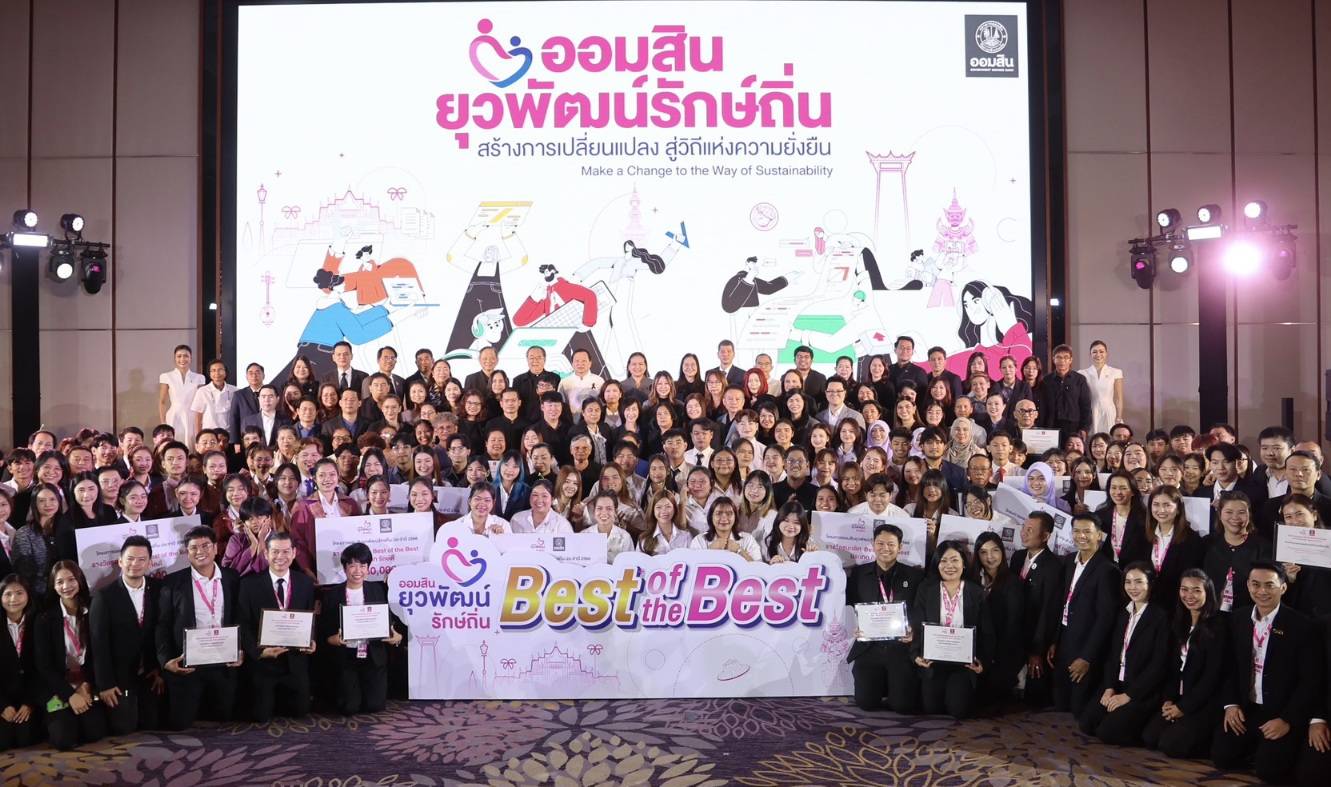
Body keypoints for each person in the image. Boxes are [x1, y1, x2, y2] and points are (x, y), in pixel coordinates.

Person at [1211, 562, 1322, 784]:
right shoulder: (1237, 619)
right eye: (1256, 584)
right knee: (1222, 757)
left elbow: (1310, 680)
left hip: (1281, 711)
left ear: (1283, 587)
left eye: (1269, 585)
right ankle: (1258, 747)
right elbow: (1228, 667)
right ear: (1248, 586)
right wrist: (1231, 704)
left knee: (1269, 772)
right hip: (1248, 707)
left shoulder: (1302, 625)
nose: (1262, 591)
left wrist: (1288, 719)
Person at [155, 525, 243, 729]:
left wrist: (240, 649)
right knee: (180, 723)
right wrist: (165, 661)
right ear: (187, 552)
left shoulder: (232, 578)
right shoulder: (172, 582)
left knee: (226, 718)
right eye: (194, 547)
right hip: (188, 663)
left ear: (216, 548)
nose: (200, 551)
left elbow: (240, 617)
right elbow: (162, 625)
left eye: (205, 546)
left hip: (223, 660)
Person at [1077, 561, 1169, 745]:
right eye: (1128, 582)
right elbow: (1112, 656)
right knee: (1086, 723)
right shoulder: (1123, 613)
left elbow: (1158, 666)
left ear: (1150, 583)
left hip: (1142, 690)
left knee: (1107, 733)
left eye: (1139, 582)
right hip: (1119, 684)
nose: (1133, 587)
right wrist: (1109, 687)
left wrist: (1128, 696)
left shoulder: (1161, 617)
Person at [1142, 569, 1225, 758]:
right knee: (1150, 737)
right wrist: (1169, 700)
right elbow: (1173, 669)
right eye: (1184, 589)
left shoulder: (1218, 625)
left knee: (1171, 746)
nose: (1189, 596)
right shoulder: (1180, 621)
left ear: (1207, 592)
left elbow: (1212, 676)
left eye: (1196, 590)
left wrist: (1184, 708)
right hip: (1180, 697)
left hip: (1204, 702)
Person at [237, 531, 317, 723]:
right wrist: (258, 652)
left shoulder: (305, 583)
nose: (280, 557)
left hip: (295, 660)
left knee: (300, 712)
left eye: (286, 551)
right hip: (264, 662)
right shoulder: (249, 584)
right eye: (275, 552)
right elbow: (243, 624)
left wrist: (311, 640)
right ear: (266, 553)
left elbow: (310, 618)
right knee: (260, 716)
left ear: (294, 553)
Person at [846, 523, 925, 714]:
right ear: (873, 544)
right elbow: (850, 607)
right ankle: (881, 686)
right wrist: (855, 626)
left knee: (903, 706)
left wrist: (913, 631)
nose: (885, 548)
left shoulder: (915, 576)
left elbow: (921, 610)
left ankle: (895, 689)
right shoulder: (858, 574)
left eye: (891, 544)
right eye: (880, 543)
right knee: (866, 703)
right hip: (870, 647)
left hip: (901, 647)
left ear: (900, 547)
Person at [911, 540, 994, 719]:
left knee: (959, 710)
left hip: (963, 663)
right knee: (931, 708)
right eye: (944, 560)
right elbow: (917, 624)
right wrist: (916, 654)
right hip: (934, 661)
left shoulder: (976, 592)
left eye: (955, 560)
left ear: (964, 564)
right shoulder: (926, 589)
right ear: (937, 564)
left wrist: (983, 662)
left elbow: (987, 632)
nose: (949, 566)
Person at [319, 542, 404, 715]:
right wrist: (332, 639)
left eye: (363, 565)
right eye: (352, 565)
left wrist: (396, 637)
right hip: (346, 656)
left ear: (368, 568)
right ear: (344, 568)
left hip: (372, 656)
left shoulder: (378, 590)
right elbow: (324, 629)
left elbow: (390, 621)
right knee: (349, 707)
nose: (358, 571)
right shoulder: (333, 595)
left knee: (375, 705)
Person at [89, 535, 163, 735]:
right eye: (130, 559)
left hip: (149, 673)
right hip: (119, 676)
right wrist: (105, 684)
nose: (135, 564)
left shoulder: (159, 589)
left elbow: (162, 631)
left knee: (153, 724)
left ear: (150, 563)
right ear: (120, 562)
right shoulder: (104, 596)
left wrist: (159, 668)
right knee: (124, 727)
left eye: (141, 559)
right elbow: (99, 644)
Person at [1050, 514, 1121, 717]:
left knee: (1078, 710)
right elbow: (1062, 604)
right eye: (1077, 531)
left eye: (1087, 531)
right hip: (1065, 639)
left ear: (1099, 535)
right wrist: (1055, 640)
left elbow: (1105, 619)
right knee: (1060, 704)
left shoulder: (1107, 570)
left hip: (1086, 645)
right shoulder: (1068, 562)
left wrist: (1087, 657)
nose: (1081, 536)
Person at [34, 561, 108, 750]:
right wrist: (70, 695)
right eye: (60, 582)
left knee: (94, 733)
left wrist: (86, 684)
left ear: (80, 580)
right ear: (53, 586)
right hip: (59, 685)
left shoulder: (94, 609)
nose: (66, 586)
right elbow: (44, 666)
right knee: (63, 739)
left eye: (71, 580)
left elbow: (101, 653)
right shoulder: (45, 618)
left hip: (86, 683)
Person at [1122, 486, 1204, 605]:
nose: (1161, 510)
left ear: (1178, 509)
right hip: (1144, 601)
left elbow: (1191, 576)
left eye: (1167, 505)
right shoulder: (1140, 534)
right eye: (1156, 504)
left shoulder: (1192, 540)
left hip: (1175, 603)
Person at [287, 458, 362, 577]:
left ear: (338, 477)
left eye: (332, 474)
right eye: (322, 475)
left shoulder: (350, 503)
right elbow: (298, 541)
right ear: (315, 479)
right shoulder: (303, 506)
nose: (327, 479)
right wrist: (306, 569)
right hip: (317, 569)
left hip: (348, 568)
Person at [973, 532, 1024, 705]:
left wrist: (994, 657)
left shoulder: (1013, 583)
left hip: (1002, 653)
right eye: (983, 552)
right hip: (976, 649)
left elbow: (1013, 626)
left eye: (995, 550)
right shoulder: (972, 581)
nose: (990, 557)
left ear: (1002, 552)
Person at [1202, 492, 1271, 614]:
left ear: (1249, 515)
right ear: (1220, 514)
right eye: (1229, 512)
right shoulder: (1206, 544)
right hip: (1211, 613)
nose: (1235, 517)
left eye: (1241, 512)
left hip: (1250, 614)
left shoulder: (1263, 547)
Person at [0, 574, 38, 751]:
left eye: (19, 593)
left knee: (25, 739)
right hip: (3, 696)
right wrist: (3, 706)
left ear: (28, 595)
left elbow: (41, 668)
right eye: (7, 594)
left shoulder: (37, 622)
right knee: (4, 741)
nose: (13, 599)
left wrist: (29, 703)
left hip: (28, 696)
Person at [1037, 345, 1092, 446]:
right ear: (1053, 359)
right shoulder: (1046, 380)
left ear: (1071, 360)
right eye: (1059, 357)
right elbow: (1043, 407)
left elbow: (1086, 406)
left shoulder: (1079, 380)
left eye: (1066, 357)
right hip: (1051, 426)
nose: (1062, 361)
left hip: (1074, 426)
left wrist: (1084, 428)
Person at [159, 344, 206, 450]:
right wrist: (163, 423)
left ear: (191, 358)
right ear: (174, 358)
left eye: (186, 356)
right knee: (172, 444)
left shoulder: (199, 378)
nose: (182, 359)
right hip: (174, 415)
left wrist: (201, 421)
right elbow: (162, 401)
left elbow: (201, 403)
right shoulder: (166, 376)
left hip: (192, 416)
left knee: (191, 445)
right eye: (179, 356)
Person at [1079, 341, 1124, 436]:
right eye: (1094, 352)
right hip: (1091, 411)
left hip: (1109, 411)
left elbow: (1118, 398)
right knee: (1092, 439)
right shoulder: (1082, 373)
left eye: (1101, 351)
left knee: (1110, 438)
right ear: (1090, 354)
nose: (1098, 354)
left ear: (1106, 353)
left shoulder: (1116, 372)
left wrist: (1119, 417)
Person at [587, 493, 635, 563]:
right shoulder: (585, 534)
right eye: (599, 508)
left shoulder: (625, 537)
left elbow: (630, 564)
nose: (604, 512)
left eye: (609, 508)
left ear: (615, 511)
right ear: (594, 511)